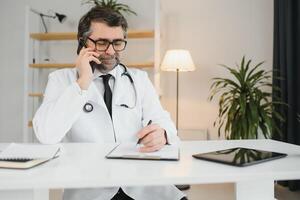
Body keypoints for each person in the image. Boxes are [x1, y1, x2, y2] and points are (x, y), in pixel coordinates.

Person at [33, 6, 186, 200]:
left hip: (143, 187)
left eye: (117, 42)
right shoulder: (61, 80)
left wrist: (162, 134)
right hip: (90, 190)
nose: (111, 51)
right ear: (82, 42)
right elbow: (46, 135)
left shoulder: (138, 79)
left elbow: (164, 123)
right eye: (102, 42)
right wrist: (82, 83)